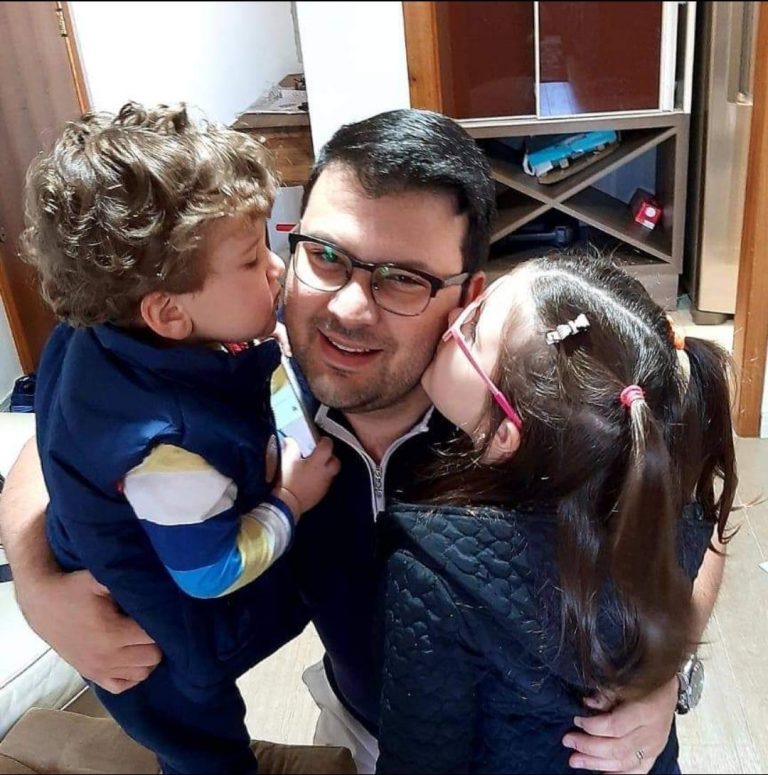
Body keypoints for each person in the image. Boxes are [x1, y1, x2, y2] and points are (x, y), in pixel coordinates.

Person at [0, 109, 726, 775]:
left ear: (468, 296)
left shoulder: (521, 417)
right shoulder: (242, 366)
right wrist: (38, 585)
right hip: (359, 726)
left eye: (403, 280)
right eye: (325, 256)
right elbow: (60, 442)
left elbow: (694, 504)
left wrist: (664, 671)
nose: (349, 308)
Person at [16, 102, 339, 774]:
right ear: (167, 313)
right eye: (251, 260)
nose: (277, 268)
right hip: (152, 641)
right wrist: (291, 500)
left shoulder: (94, 330)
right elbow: (210, 571)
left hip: (112, 531)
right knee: (202, 746)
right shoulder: (168, 450)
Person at [374, 256, 736, 773]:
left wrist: (670, 679)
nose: (453, 318)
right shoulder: (662, 502)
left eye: (473, 329)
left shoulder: (430, 578)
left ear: (504, 436)